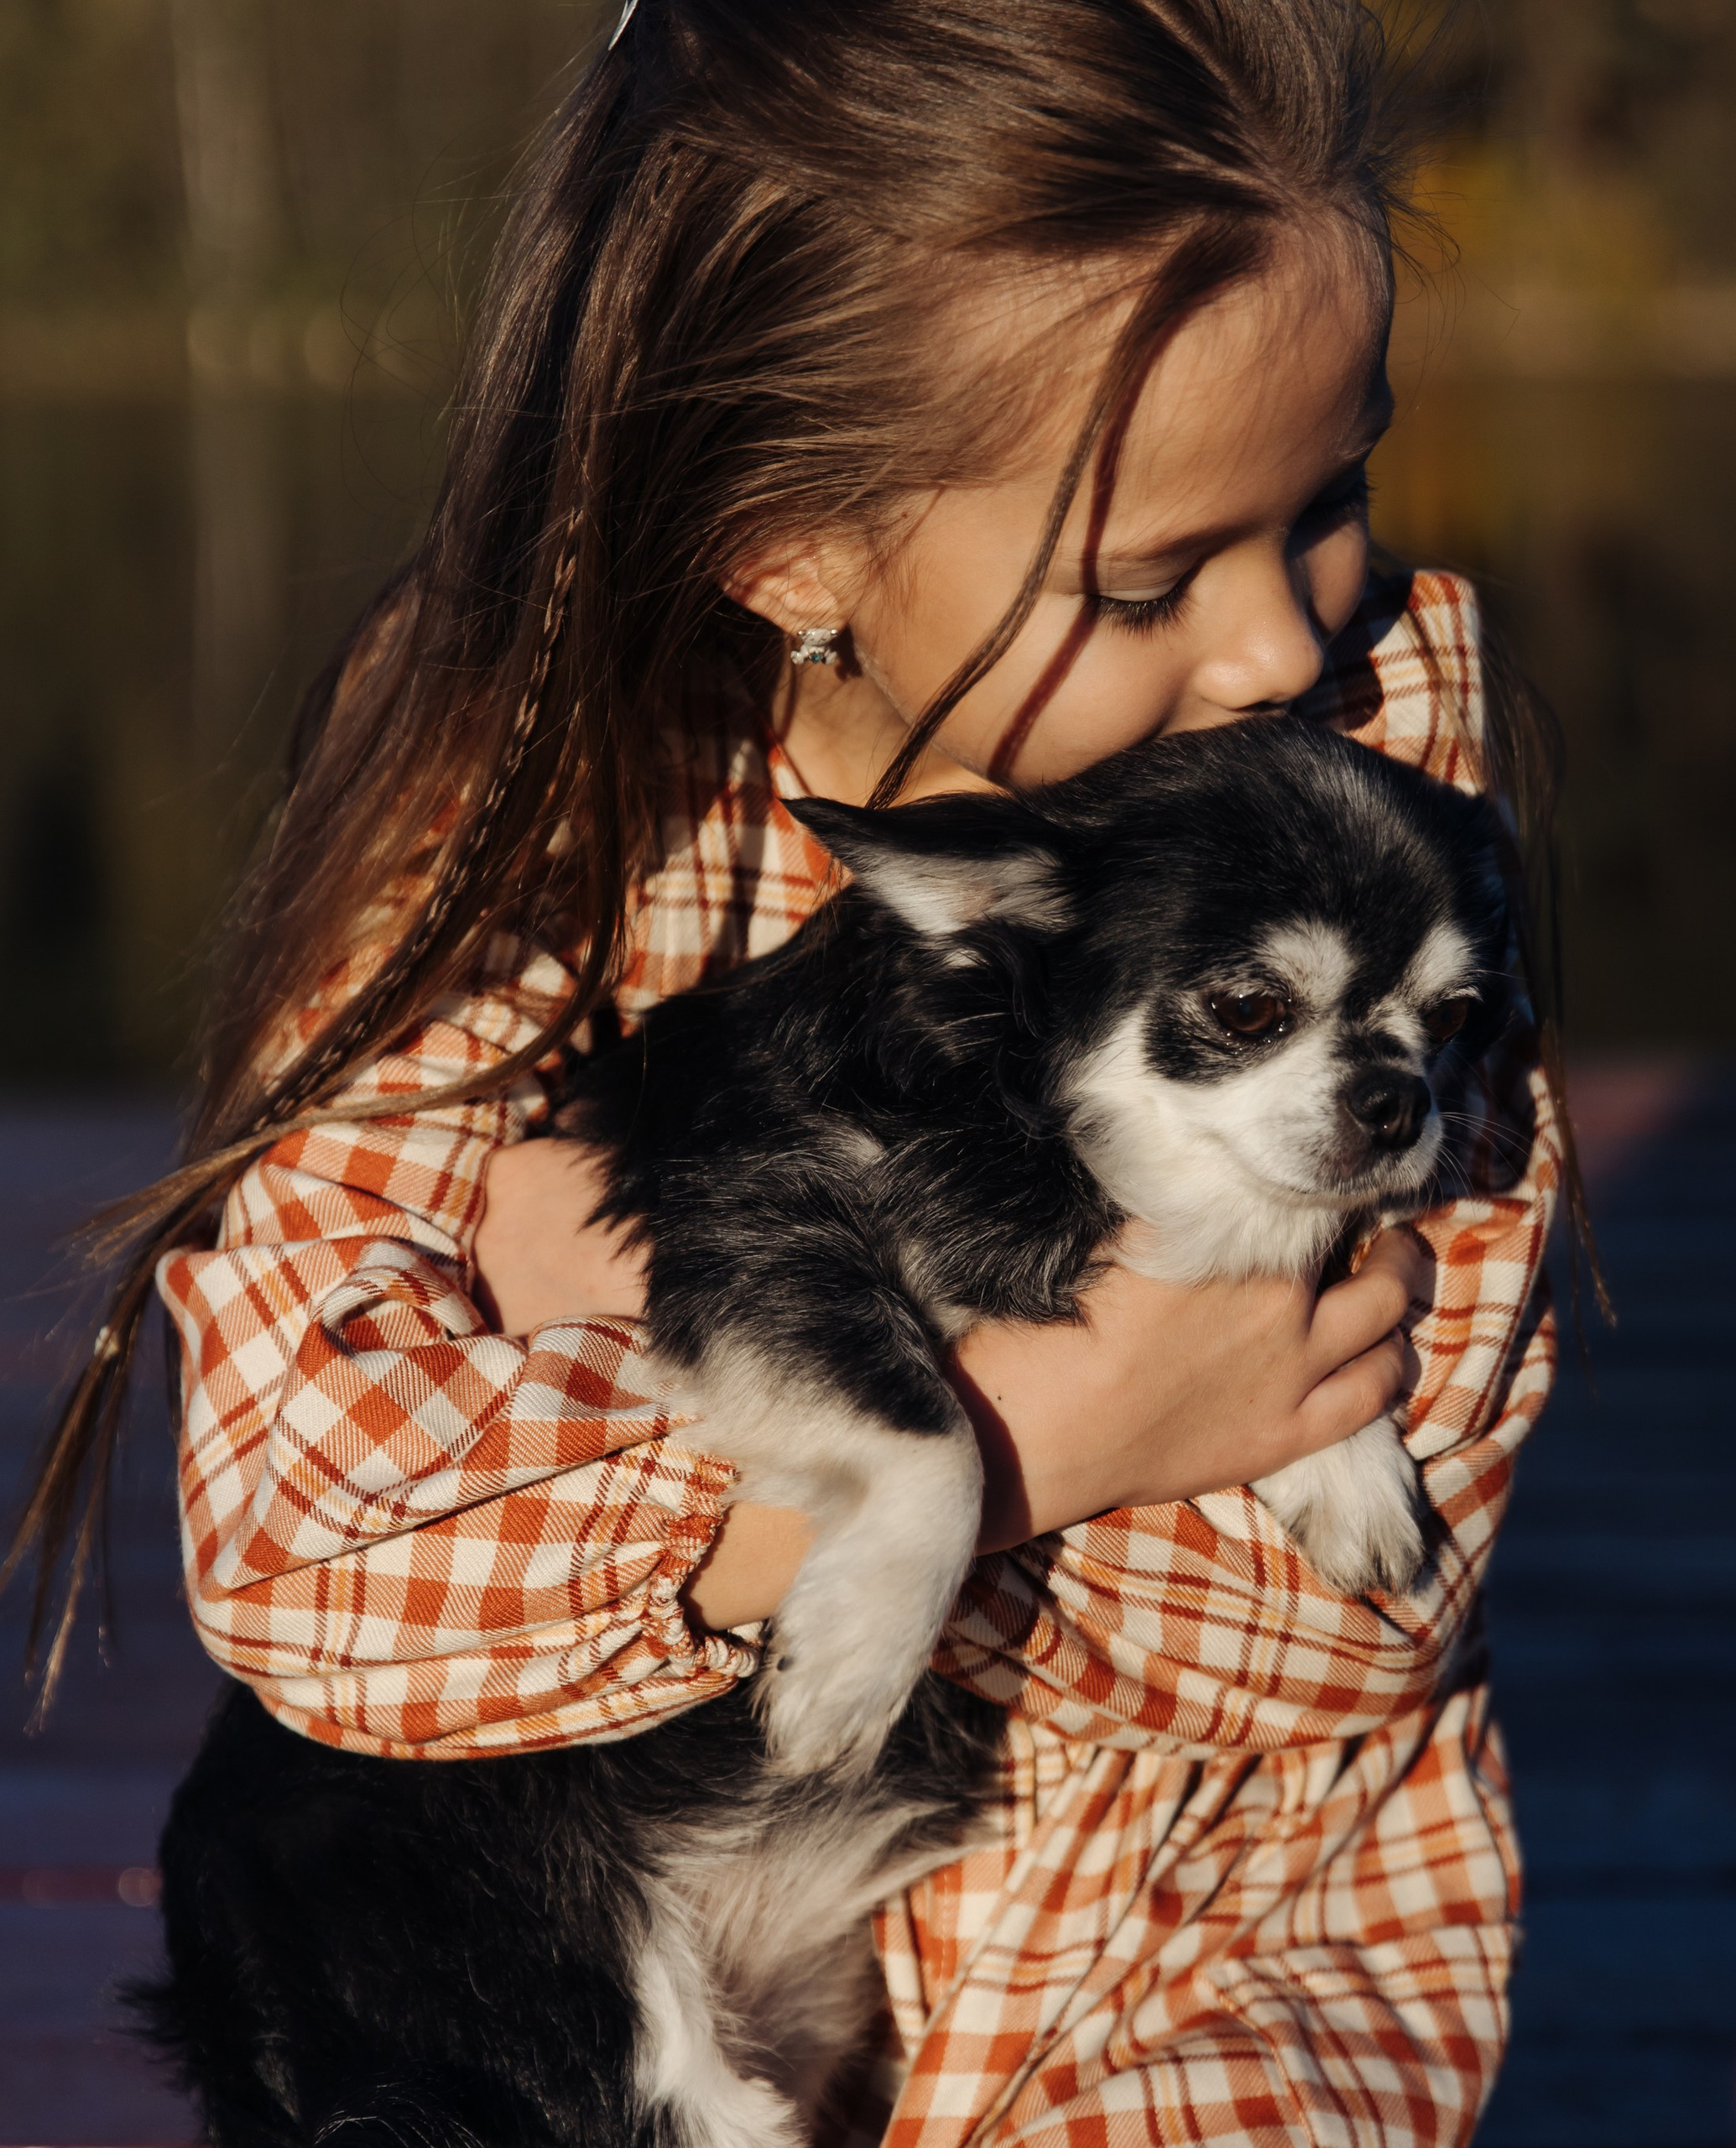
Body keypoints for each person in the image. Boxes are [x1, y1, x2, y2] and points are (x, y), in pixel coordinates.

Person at [12, 2, 1580, 2140]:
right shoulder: (518, 779)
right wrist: (1039, 1426)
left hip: (1181, 1971)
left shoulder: (1374, 764)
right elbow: (314, 1551)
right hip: (597, 1976)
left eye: (1335, 494)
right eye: (1145, 578)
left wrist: (621, 1301)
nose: (1279, 646)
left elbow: (1341, 1630)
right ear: (790, 550)